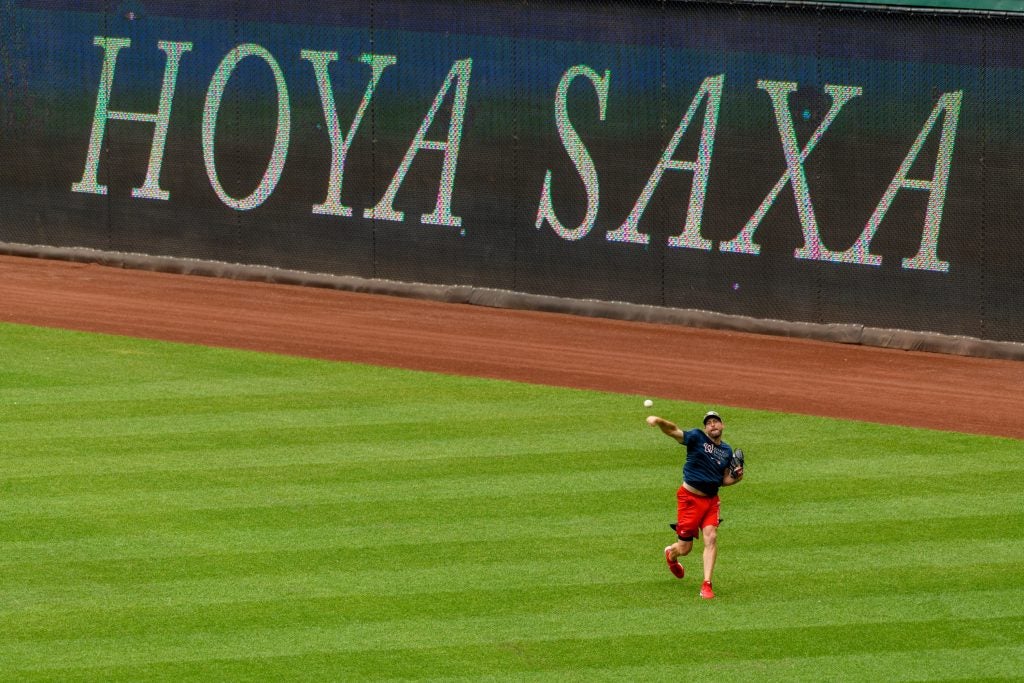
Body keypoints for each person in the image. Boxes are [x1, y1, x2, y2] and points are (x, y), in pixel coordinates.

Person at [646, 410, 744, 599]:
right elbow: (674, 431)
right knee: (685, 549)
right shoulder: (697, 437)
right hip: (689, 499)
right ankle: (671, 554)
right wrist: (658, 421)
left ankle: (706, 584)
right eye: (709, 423)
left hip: (711, 501)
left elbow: (723, 480)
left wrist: (737, 478)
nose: (713, 425)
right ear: (705, 427)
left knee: (712, 537)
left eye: (716, 421)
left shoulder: (726, 451)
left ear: (722, 425)